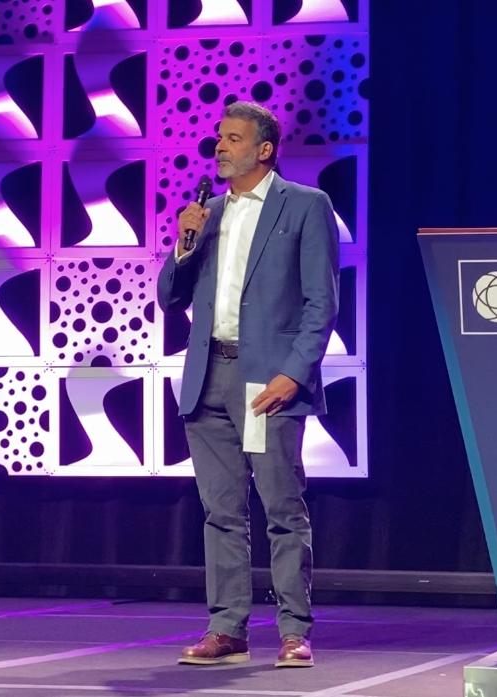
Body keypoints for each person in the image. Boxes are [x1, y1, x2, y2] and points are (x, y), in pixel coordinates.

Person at [157, 101, 340, 668]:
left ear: (264, 149)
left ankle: (293, 632)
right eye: (219, 138)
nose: (220, 146)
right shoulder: (208, 213)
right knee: (221, 512)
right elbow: (170, 298)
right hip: (207, 377)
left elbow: (322, 302)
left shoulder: (305, 204)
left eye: (233, 139)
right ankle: (227, 629)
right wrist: (184, 243)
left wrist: (294, 373)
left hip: (267, 381)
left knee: (282, 508)